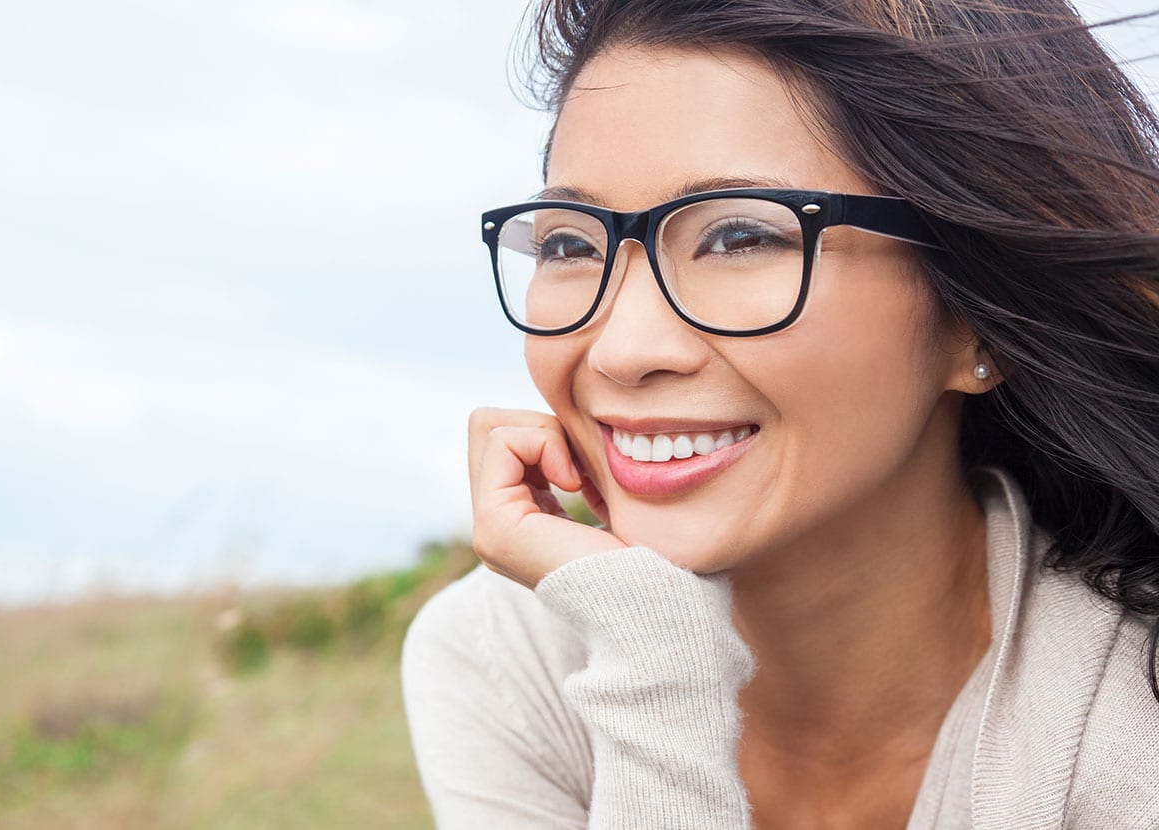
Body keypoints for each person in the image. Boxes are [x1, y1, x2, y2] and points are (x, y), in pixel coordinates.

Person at [400, 0, 1159, 827]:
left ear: (976, 317)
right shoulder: (506, 654)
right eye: (570, 244)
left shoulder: (1129, 725)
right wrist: (654, 657)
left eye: (740, 238)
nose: (621, 349)